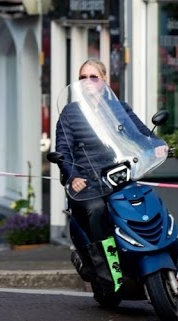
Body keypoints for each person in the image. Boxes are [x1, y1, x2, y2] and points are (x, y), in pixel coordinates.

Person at [53, 59, 164, 290]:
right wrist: (73, 176)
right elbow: (63, 150)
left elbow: (141, 134)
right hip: (87, 180)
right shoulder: (70, 112)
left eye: (93, 77)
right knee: (97, 209)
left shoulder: (118, 108)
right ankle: (106, 267)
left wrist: (157, 145)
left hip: (118, 174)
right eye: (82, 77)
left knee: (143, 200)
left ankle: (148, 251)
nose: (87, 82)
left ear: (104, 80)